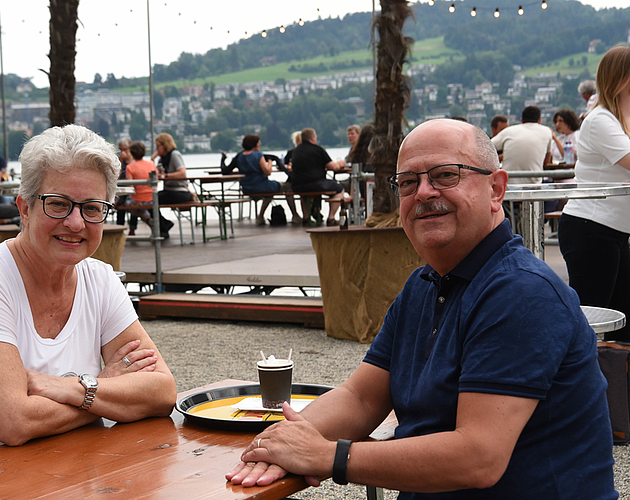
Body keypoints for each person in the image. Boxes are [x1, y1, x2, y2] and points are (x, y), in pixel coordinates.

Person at [226, 119, 617, 499]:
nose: (425, 192)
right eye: (408, 182)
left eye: (446, 175)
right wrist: (275, 443)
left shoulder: (522, 292)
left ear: (496, 189)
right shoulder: (424, 284)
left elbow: (477, 458)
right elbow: (360, 398)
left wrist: (329, 456)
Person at [0, 125, 176, 474]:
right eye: (58, 204)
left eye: (92, 208)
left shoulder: (101, 279)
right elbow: (13, 423)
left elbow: (162, 392)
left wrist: (71, 388)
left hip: (66, 471)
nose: (76, 222)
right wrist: (104, 388)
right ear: (25, 208)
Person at [560, 44, 630, 342]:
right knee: (593, 318)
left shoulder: (619, 119)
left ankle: (614, 385)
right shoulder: (601, 120)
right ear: (621, 79)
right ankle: (582, 385)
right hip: (591, 228)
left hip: (613, 230)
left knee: (622, 316)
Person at [221, 134, 301, 225]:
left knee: (270, 192)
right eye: (258, 142)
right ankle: (295, 216)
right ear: (254, 144)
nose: (260, 144)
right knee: (287, 187)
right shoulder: (258, 155)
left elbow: (227, 170)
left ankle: (260, 217)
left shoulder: (239, 156)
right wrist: (270, 162)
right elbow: (267, 172)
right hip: (262, 186)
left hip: (247, 188)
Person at [290, 128, 345, 226]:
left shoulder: (296, 151)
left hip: (297, 186)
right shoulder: (318, 149)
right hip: (316, 184)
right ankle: (331, 218)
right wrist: (340, 163)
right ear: (312, 138)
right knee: (339, 189)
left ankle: (306, 218)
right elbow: (333, 167)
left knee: (304, 194)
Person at [491, 106, 552, 185]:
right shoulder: (547, 131)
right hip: (534, 184)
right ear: (539, 120)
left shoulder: (509, 131)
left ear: (521, 120)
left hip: (508, 183)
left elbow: (486, 146)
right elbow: (546, 161)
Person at [155, 133, 191, 238]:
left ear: (165, 145)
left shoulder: (174, 155)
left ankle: (164, 227)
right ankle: (164, 224)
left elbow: (182, 172)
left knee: (153, 200)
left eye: (158, 146)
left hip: (180, 191)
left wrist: (166, 175)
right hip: (168, 190)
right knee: (149, 200)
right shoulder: (161, 159)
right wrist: (153, 159)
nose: (157, 149)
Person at [119, 141, 157, 228]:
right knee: (136, 204)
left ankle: (146, 218)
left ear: (131, 152)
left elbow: (130, 187)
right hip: (152, 198)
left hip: (137, 200)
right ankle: (148, 219)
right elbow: (156, 180)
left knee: (124, 204)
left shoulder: (130, 167)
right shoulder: (151, 164)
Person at [115, 137, 136, 234]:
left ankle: (132, 228)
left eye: (125, 149)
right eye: (121, 150)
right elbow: (116, 176)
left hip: (134, 188)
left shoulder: (135, 160)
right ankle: (120, 228)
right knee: (120, 203)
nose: (123, 152)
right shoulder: (120, 161)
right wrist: (121, 161)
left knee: (134, 201)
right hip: (122, 187)